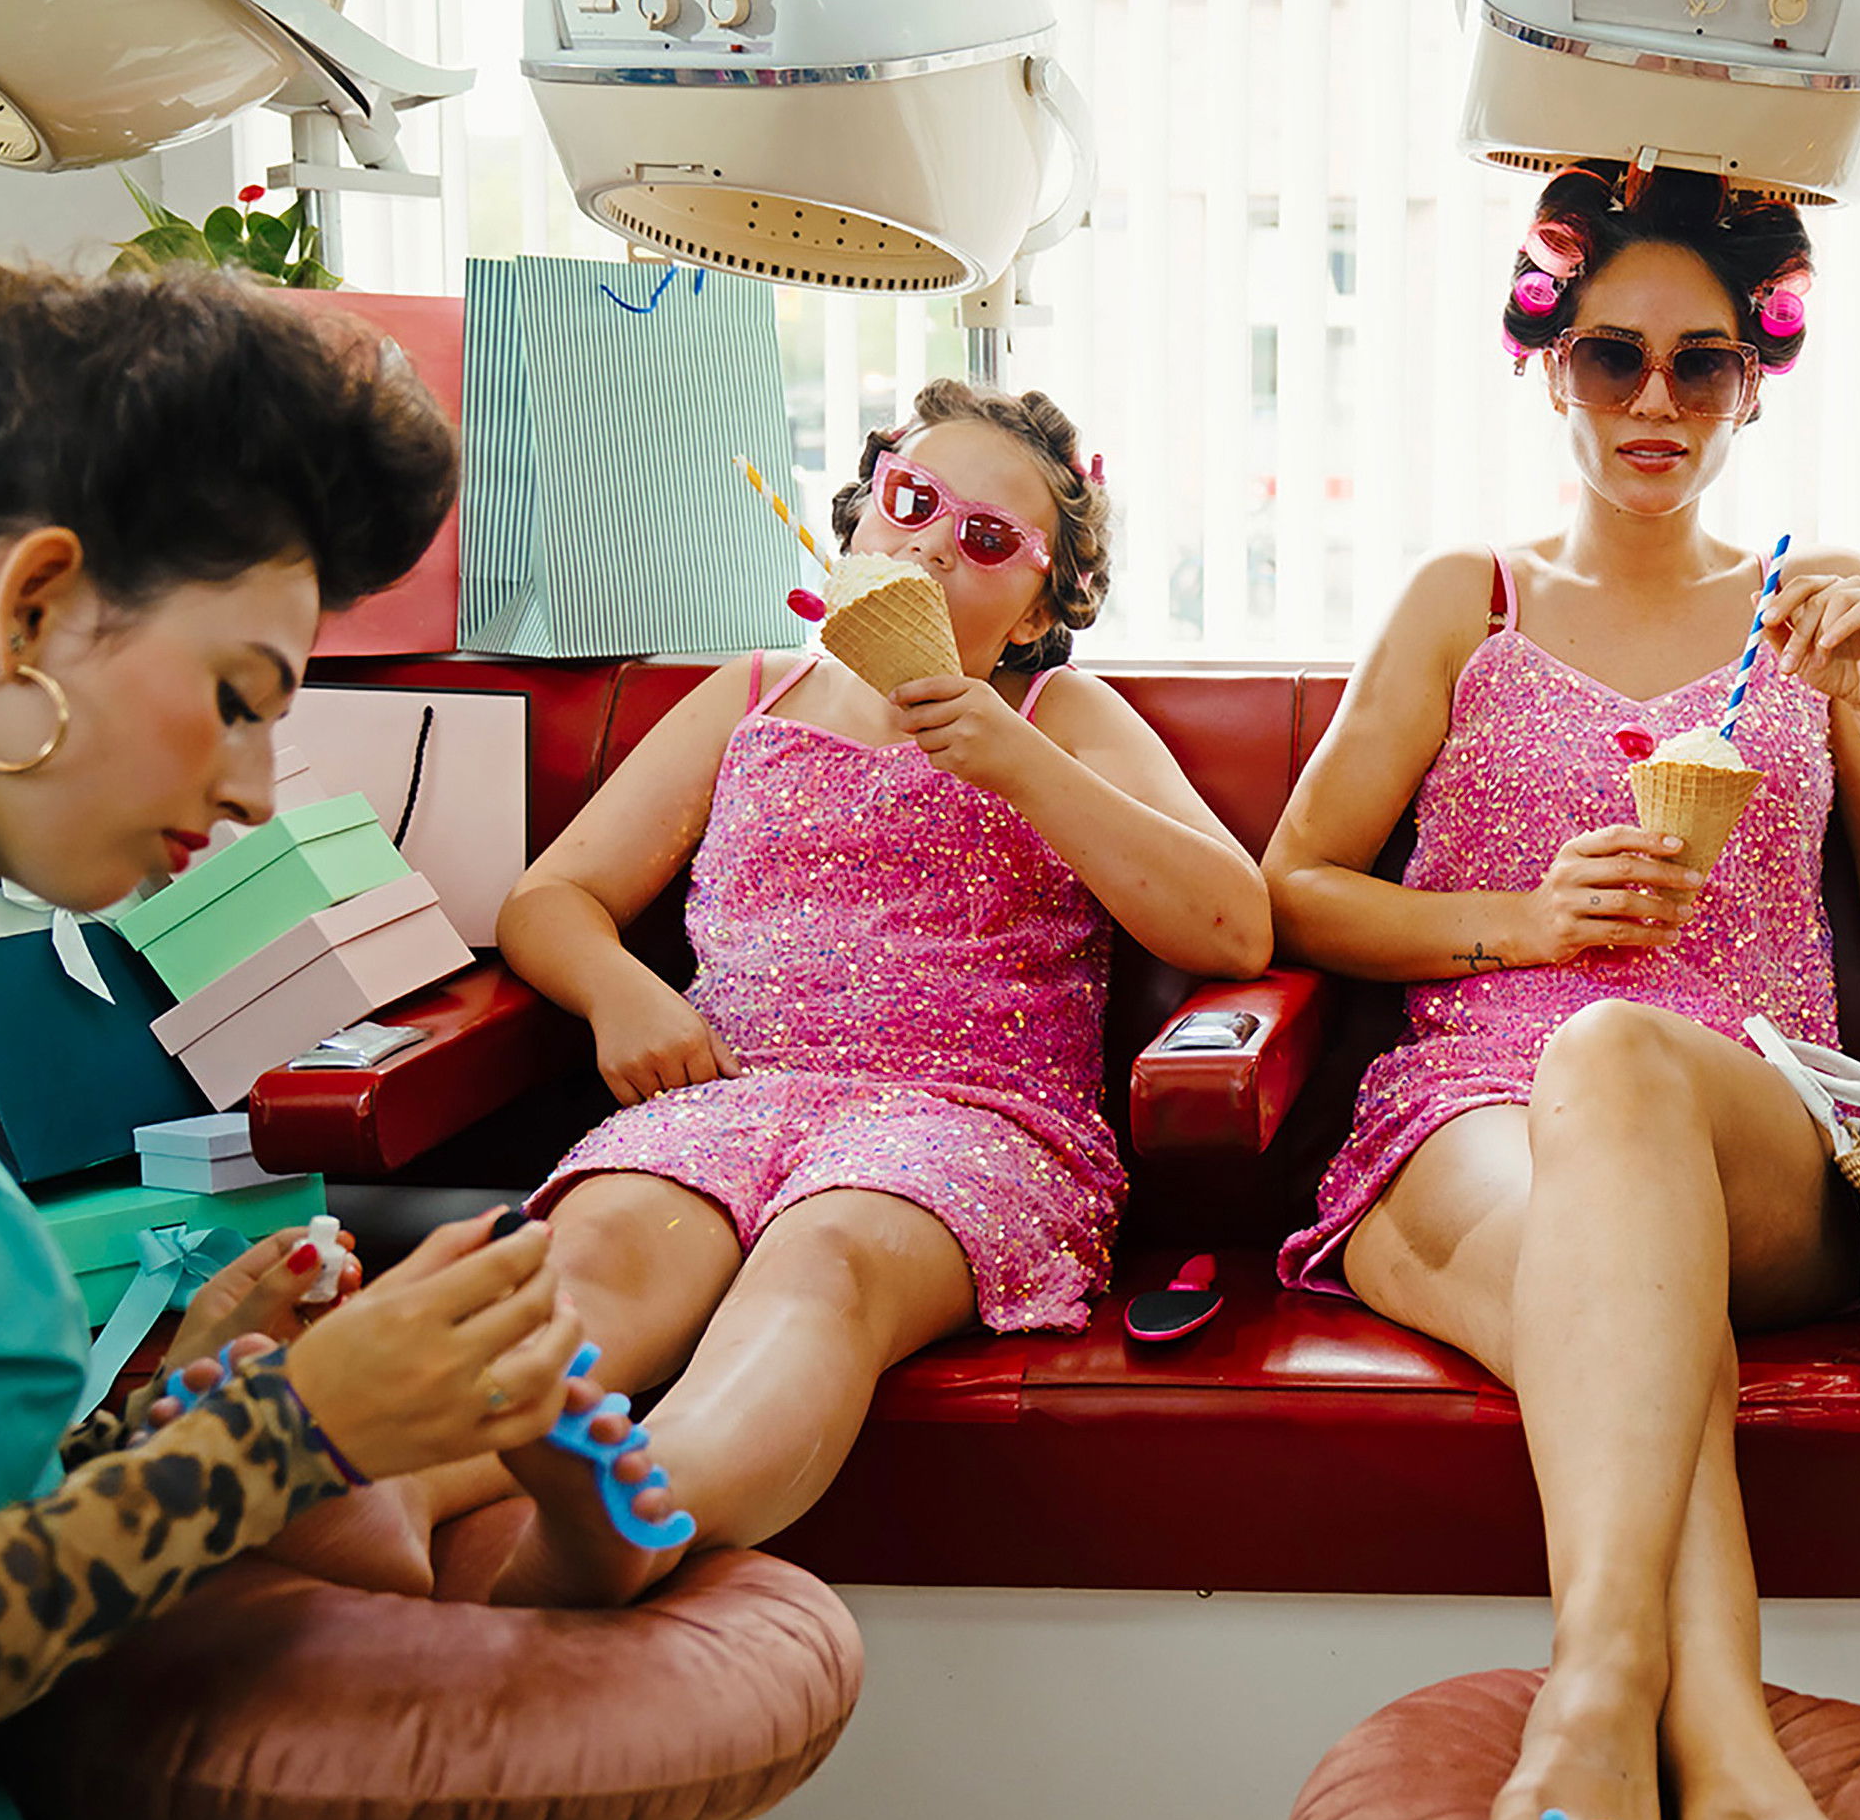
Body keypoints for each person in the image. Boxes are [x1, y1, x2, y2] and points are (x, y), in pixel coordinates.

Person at [0, 261, 745, 1820]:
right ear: (32, 604)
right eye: (242, 696)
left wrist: (176, 1389)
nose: (258, 792)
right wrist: (285, 1438)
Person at [1262, 166, 1860, 1820]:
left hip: (1761, 1117)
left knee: (1615, 1056)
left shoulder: (1812, 613)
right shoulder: (1467, 599)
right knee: (1607, 1272)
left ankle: (1599, 1692)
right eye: (1615, 356)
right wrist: (1524, 921)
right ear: (1553, 365)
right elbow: (1297, 884)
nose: (1657, 401)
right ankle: (1747, 1808)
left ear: (1759, 378)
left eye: (1703, 361)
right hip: (1468, 1117)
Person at [302, 381, 1270, 1610]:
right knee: (604, 1249)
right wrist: (623, 995)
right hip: (729, 1092)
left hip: (972, 1121)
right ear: (859, 516)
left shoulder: (1059, 718)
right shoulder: (754, 694)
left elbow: (1233, 926)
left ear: (1038, 606)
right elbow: (554, 899)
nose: (932, 544)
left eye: (986, 538)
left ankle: (641, 1509)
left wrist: (1021, 763)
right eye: (913, 502)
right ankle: (392, 1496)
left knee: (829, 1259)